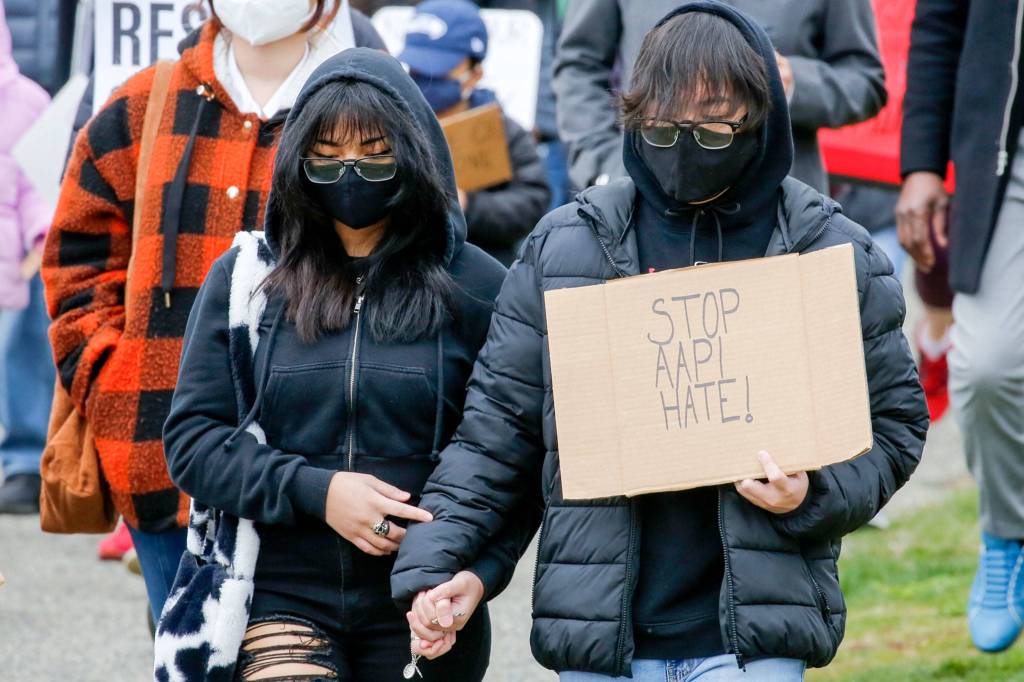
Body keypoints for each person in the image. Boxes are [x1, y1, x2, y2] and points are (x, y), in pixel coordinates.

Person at [392, 3, 928, 680]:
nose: (685, 148)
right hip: (602, 631)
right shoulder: (568, 249)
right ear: (635, 115)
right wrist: (442, 561)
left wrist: (814, 494)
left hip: (753, 634)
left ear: (760, 122)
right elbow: (499, 432)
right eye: (666, 128)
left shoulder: (825, 250)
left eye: (713, 130)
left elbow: (898, 423)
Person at [159, 47, 538, 681]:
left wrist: (480, 574)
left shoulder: (478, 284)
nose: (351, 170)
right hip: (280, 592)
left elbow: (519, 454)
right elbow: (194, 440)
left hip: (424, 603)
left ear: (414, 152)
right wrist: (319, 491)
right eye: (327, 154)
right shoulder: (249, 280)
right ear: (297, 162)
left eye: (373, 150)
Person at [42, 0, 384, 625]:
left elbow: (424, 260)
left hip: (322, 477)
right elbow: (76, 265)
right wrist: (113, 386)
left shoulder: (369, 108)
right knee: (188, 652)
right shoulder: (143, 102)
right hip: (159, 463)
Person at [897, 0, 1024, 653]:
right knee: (988, 364)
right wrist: (921, 164)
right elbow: (941, 22)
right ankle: (1007, 530)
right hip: (1009, 151)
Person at [553, 0, 886, 195]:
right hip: (646, 199)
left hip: (782, 212)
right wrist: (607, 166)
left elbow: (865, 79)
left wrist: (792, 81)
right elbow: (578, 66)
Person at [400, 0, 549, 265]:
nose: (424, 80)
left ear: (474, 74)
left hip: (482, 267)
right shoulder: (394, 123)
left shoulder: (504, 131)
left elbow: (532, 201)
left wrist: (469, 205)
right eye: (416, 70)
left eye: (437, 71)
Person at [0, 0, 54, 514]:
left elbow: (41, 180)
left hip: (12, 259)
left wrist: (41, 235)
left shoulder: (27, 100)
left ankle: (23, 459)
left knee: (19, 353)